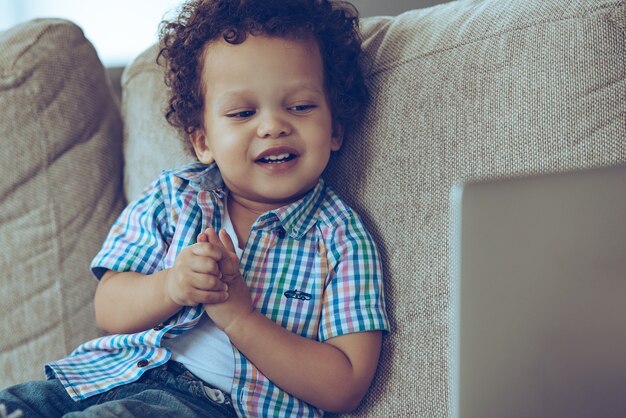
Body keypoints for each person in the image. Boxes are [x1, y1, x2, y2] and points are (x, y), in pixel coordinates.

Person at [0, 0, 389, 416]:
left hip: (214, 406)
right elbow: (109, 307)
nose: (273, 125)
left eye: (301, 107)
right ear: (203, 140)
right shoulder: (176, 196)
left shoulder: (340, 237)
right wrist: (170, 286)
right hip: (112, 375)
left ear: (336, 128)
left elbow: (345, 384)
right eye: (243, 112)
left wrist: (241, 319)